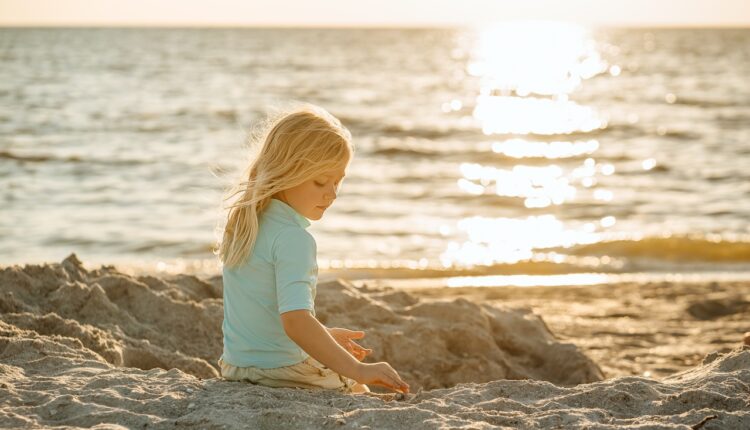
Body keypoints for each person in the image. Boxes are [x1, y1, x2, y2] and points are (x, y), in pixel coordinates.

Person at [215, 102, 410, 395]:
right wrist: (359, 369)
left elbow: (259, 313)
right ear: (287, 171)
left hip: (236, 367)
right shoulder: (294, 238)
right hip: (280, 372)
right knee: (359, 390)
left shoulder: (247, 223)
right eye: (321, 181)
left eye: (338, 181)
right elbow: (296, 321)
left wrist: (326, 338)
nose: (332, 193)